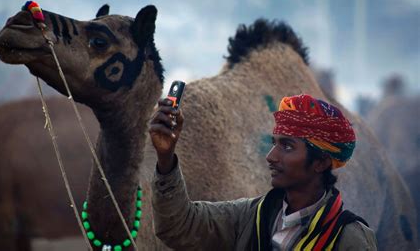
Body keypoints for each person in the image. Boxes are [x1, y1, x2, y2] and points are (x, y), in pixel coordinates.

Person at [149, 94, 377, 250]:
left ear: (321, 162)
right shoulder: (250, 216)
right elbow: (178, 226)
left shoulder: (350, 239)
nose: (271, 156)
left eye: (287, 146)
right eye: (274, 143)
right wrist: (165, 158)